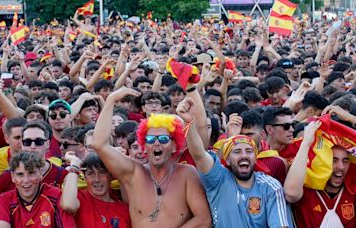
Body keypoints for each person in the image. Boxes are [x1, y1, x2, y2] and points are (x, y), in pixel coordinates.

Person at [92, 87, 211, 227]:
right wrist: (111, 99)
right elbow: (99, 144)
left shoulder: (187, 174)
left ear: (174, 146)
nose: (156, 143)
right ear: (144, 146)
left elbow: (204, 219)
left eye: (162, 139)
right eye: (149, 140)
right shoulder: (133, 173)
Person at [176, 97, 293, 227]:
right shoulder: (217, 179)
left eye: (249, 151)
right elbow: (198, 155)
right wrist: (189, 123)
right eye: (237, 152)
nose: (244, 155)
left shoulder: (270, 186)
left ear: (255, 157)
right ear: (227, 160)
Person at [284, 121, 356, 227]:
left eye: (345, 161)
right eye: (333, 160)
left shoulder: (352, 190)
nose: (340, 166)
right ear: (322, 162)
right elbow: (291, 194)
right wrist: (306, 143)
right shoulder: (307, 189)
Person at [0, 151, 75, 227]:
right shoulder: (4, 200)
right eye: (20, 174)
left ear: (40, 174)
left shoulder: (55, 196)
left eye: (31, 173)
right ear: (12, 177)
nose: (26, 180)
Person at [0, 121, 67, 192]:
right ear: (22, 145)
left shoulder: (61, 174)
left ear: (48, 144)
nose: (33, 146)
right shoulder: (7, 176)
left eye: (39, 141)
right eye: (27, 142)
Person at [60, 152, 131, 227]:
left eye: (102, 172)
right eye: (90, 174)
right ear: (85, 177)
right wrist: (75, 164)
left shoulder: (123, 208)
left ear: (111, 175)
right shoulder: (80, 199)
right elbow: (68, 205)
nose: (97, 179)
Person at [0, 117, 27, 184]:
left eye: (25, 137)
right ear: (6, 139)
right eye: (17, 137)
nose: (22, 141)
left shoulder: (42, 158)